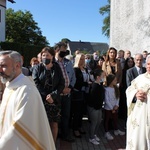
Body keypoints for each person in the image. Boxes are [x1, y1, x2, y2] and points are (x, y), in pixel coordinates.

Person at [0, 50, 55, 149]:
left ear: (17, 66)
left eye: (3, 66)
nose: (0, 70)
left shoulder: (27, 91)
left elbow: (18, 130)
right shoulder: (9, 86)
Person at [32, 47, 65, 143]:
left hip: (54, 101)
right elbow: (36, 83)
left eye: (47, 55)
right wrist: (47, 96)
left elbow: (61, 84)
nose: (45, 57)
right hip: (41, 100)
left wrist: (53, 96)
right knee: (41, 124)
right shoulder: (37, 68)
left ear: (52, 56)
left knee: (54, 124)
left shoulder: (57, 67)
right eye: (43, 55)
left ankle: (52, 145)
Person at [126, 55, 150, 150]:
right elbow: (129, 90)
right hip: (139, 118)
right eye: (148, 64)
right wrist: (135, 94)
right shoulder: (140, 78)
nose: (149, 66)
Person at [54, 42, 76, 142]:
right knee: (56, 116)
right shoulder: (53, 63)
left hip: (67, 94)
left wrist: (70, 87)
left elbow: (73, 77)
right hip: (57, 95)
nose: (65, 51)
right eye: (63, 49)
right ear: (57, 50)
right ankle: (55, 134)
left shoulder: (68, 62)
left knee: (66, 115)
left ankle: (65, 135)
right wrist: (60, 89)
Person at [72, 53, 90, 138]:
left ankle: (79, 126)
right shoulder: (75, 69)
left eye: (83, 59)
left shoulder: (85, 69)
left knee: (82, 111)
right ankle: (75, 129)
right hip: (77, 93)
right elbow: (75, 83)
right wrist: (86, 83)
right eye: (81, 59)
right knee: (77, 112)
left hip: (84, 93)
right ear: (77, 60)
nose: (82, 61)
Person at [104, 74, 125, 140]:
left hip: (115, 107)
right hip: (108, 108)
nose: (116, 81)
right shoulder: (106, 89)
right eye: (115, 80)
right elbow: (106, 100)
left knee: (115, 119)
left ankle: (116, 130)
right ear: (111, 81)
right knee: (107, 120)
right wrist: (111, 108)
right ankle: (106, 132)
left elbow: (117, 97)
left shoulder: (116, 88)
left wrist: (116, 105)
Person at [87, 69, 105, 145]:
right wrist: (95, 106)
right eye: (103, 76)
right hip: (94, 107)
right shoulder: (94, 86)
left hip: (98, 107)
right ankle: (91, 138)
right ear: (98, 77)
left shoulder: (99, 85)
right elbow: (92, 98)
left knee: (98, 121)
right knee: (94, 122)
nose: (104, 77)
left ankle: (94, 134)